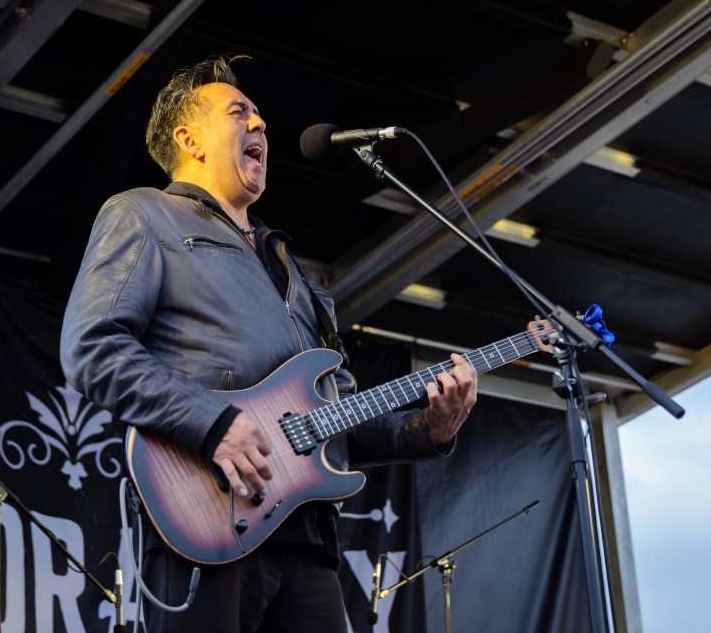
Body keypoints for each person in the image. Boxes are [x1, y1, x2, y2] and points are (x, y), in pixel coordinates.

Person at [59, 53, 477, 633]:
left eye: (259, 117)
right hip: (208, 513)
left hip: (306, 540)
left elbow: (339, 422)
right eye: (239, 113)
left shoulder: (296, 274)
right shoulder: (143, 214)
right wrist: (214, 423)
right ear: (189, 139)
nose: (259, 126)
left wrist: (428, 431)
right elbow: (92, 346)